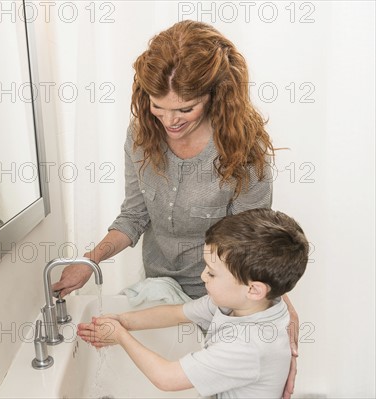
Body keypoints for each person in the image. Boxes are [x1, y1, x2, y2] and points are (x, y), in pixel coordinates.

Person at [52, 20, 300, 397]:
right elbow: (134, 216)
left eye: (185, 108)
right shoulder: (141, 136)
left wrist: (280, 317)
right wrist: (91, 260)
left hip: (220, 295)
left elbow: (253, 247)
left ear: (215, 95)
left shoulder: (242, 151)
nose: (170, 121)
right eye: (158, 107)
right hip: (162, 286)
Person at [77, 208, 309, 398]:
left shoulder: (247, 346)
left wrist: (120, 336)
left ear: (254, 289)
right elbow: (178, 313)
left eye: (212, 273)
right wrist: (123, 320)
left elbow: (166, 378)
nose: (202, 276)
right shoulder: (240, 304)